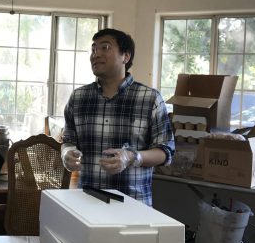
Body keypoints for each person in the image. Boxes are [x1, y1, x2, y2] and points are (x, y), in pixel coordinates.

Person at [61, 28, 174, 205]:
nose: (96, 54)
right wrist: (67, 153)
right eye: (93, 49)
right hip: (87, 202)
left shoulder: (150, 98)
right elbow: (68, 140)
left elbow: (165, 152)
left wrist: (132, 157)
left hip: (133, 205)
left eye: (105, 47)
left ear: (125, 56)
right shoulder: (79, 97)